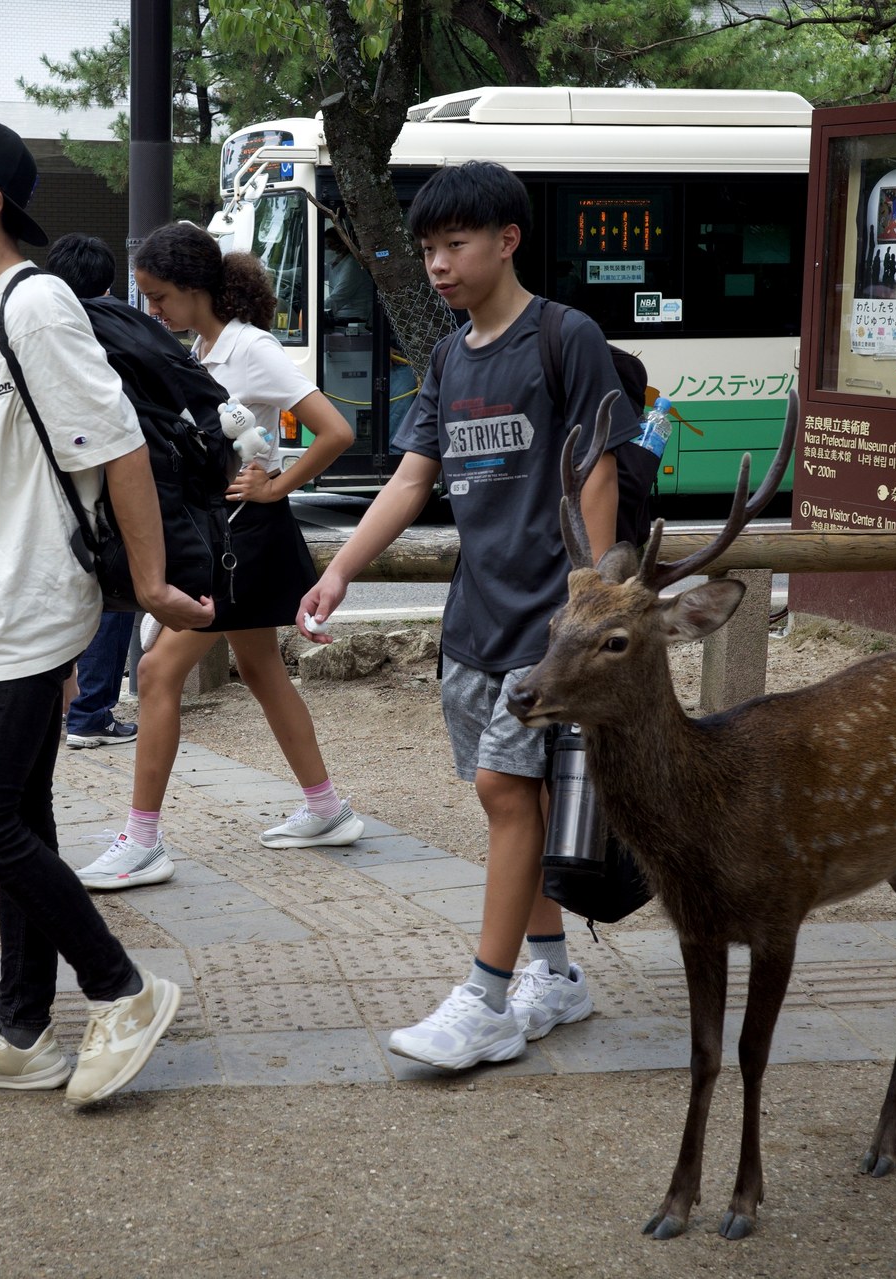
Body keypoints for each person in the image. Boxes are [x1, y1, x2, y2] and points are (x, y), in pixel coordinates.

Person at [299, 162, 636, 1070]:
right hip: (475, 623)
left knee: (502, 790)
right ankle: (557, 976)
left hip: (548, 630)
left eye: (455, 245)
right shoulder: (447, 358)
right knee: (510, 802)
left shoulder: (566, 338)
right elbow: (412, 479)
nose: (439, 265)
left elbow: (598, 467)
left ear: (506, 241)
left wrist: (589, 602)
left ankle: (487, 998)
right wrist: (340, 571)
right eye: (427, 250)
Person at [0, 116, 212, 1104]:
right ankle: (21, 1030)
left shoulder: (35, 306)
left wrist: (154, 583)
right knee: (18, 811)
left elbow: (115, 445)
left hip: (33, 609)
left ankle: (122, 987)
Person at [77, 221, 361, 892]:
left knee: (155, 671)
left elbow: (337, 430)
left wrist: (275, 484)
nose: (153, 312)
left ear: (195, 289)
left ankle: (142, 839)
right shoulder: (209, 345)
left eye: (159, 296)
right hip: (234, 533)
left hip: (245, 534)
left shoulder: (249, 347)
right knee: (261, 669)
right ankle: (324, 807)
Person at [45, 232, 138, 750]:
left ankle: (66, 702)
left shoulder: (34, 327)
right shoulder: (109, 329)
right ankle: (90, 711)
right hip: (103, 486)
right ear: (106, 287)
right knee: (114, 598)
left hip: (46, 487)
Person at [323, 226, 372, 324]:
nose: (326, 250)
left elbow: (336, 299)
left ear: (343, 246)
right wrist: (284, 274)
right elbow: (312, 273)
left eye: (329, 246)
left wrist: (312, 309)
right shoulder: (335, 264)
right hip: (341, 316)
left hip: (355, 319)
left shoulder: (352, 266)